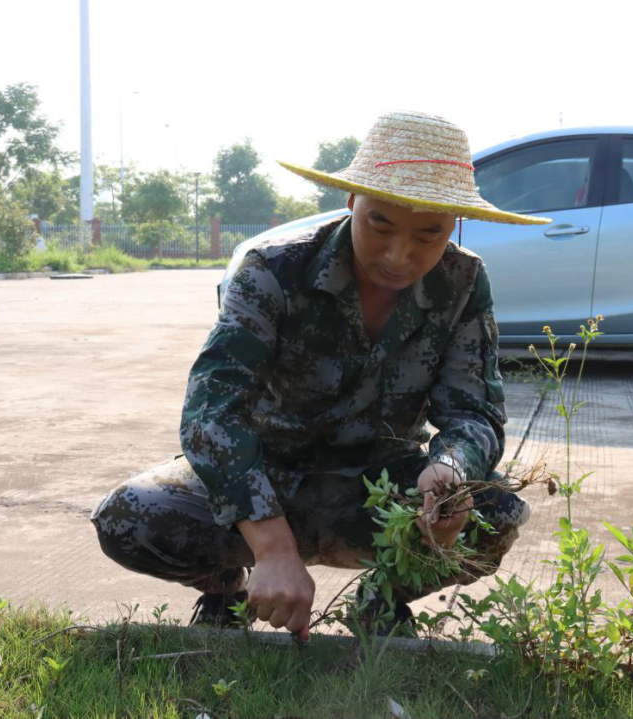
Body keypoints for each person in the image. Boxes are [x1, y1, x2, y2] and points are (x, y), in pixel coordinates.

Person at [91, 111, 551, 640]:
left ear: (456, 224)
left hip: (379, 490)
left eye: (429, 235)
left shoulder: (464, 281)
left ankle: (381, 601)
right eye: (380, 225)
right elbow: (211, 412)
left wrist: (449, 470)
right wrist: (271, 545)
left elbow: (474, 411)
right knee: (129, 518)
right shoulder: (273, 269)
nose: (399, 256)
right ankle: (226, 588)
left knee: (495, 515)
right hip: (265, 478)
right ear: (352, 201)